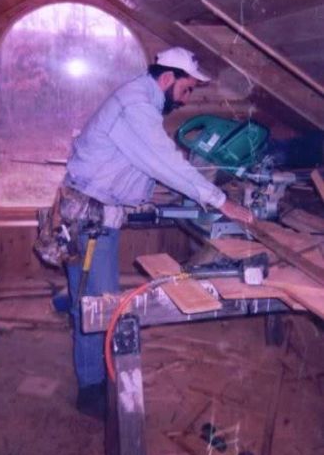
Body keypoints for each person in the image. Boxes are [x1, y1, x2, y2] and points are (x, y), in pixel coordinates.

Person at [63, 46, 253, 417]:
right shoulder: (136, 107)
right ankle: (91, 390)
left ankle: (93, 374)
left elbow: (141, 162)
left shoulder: (141, 101)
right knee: (97, 307)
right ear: (168, 79)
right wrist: (220, 201)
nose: (186, 99)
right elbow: (164, 161)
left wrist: (157, 193)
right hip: (92, 219)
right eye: (187, 90)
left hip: (100, 213)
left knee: (92, 298)